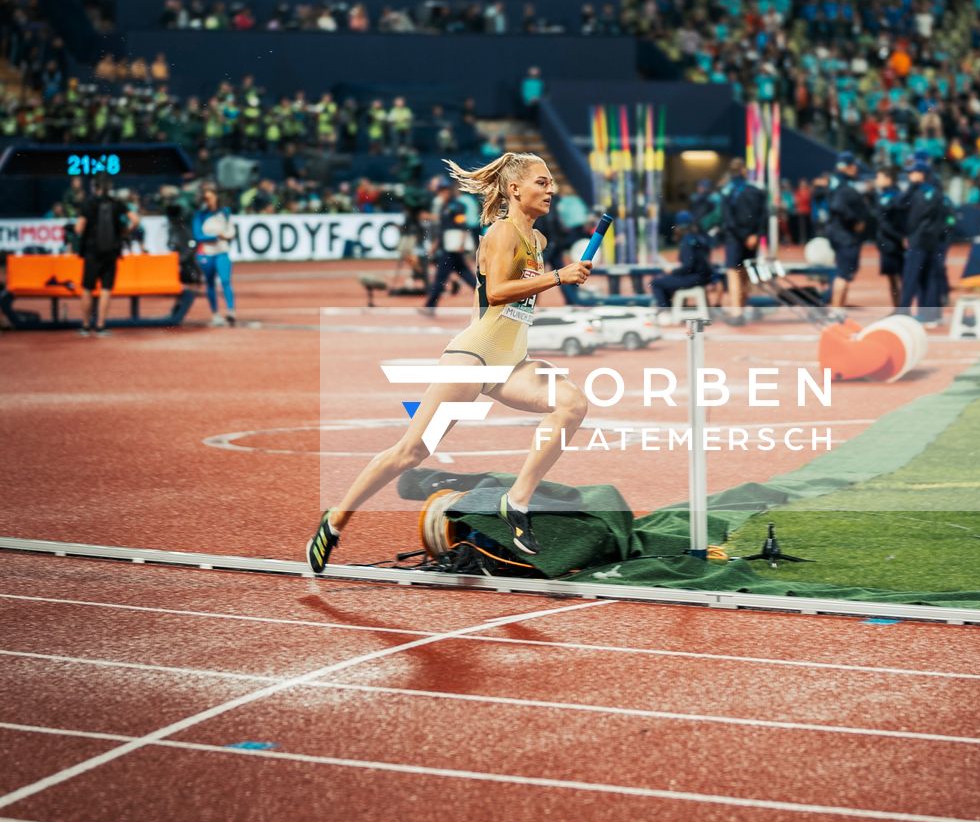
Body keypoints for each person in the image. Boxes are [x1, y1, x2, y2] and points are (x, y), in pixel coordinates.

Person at [307, 151, 592, 572]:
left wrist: (558, 276)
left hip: (511, 363)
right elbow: (495, 292)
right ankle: (335, 520)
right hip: (472, 359)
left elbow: (513, 301)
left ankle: (516, 502)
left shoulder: (539, 241)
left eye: (551, 183)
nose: (551, 189)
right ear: (514, 189)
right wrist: (558, 277)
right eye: (542, 182)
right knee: (410, 452)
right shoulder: (501, 232)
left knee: (572, 404)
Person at [75, 180, 139, 336]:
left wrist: (85, 236)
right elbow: (135, 220)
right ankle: (101, 325)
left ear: (94, 187)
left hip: (91, 252)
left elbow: (78, 228)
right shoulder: (117, 203)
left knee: (87, 288)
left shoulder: (88, 203)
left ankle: (85, 326)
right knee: (106, 289)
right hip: (111, 251)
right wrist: (124, 232)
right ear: (110, 187)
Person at [899, 160, 949, 325]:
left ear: (921, 174)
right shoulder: (936, 192)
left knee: (912, 276)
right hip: (932, 241)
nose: (909, 176)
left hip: (918, 240)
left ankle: (903, 310)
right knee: (929, 277)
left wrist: (909, 235)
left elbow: (906, 211)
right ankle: (930, 313)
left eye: (912, 172)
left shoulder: (918, 192)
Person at [721, 157, 767, 319]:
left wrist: (742, 236)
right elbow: (763, 216)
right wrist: (755, 235)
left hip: (735, 238)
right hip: (751, 239)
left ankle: (736, 310)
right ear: (743, 171)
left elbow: (728, 219)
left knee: (733, 272)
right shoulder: (756, 190)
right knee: (746, 272)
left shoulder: (727, 192)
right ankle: (744, 305)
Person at [650, 210, 715, 309]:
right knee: (666, 280)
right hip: (704, 277)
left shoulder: (687, 240)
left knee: (656, 283)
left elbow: (688, 266)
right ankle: (671, 309)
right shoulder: (700, 237)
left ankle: (665, 312)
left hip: (695, 278)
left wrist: (672, 271)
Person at [192, 183, 236, 326]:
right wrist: (217, 236)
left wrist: (226, 235)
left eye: (211, 197)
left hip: (222, 251)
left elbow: (231, 231)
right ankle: (215, 314)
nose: (209, 201)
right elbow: (198, 236)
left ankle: (231, 312)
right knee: (210, 283)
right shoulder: (199, 215)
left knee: (225, 281)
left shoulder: (225, 212)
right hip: (206, 253)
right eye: (206, 198)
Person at [826, 153, 866, 311]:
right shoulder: (843, 185)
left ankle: (838, 309)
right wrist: (855, 221)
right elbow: (838, 206)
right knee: (843, 273)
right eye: (853, 165)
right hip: (844, 235)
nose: (856, 168)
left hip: (840, 233)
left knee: (844, 272)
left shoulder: (837, 182)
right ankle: (836, 310)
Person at [871, 167, 905, 308]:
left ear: (888, 178)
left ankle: (901, 309)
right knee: (893, 278)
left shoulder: (892, 196)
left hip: (893, 243)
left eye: (879, 177)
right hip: (890, 242)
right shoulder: (885, 194)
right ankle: (898, 308)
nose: (876, 180)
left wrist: (900, 238)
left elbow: (886, 222)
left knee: (897, 277)